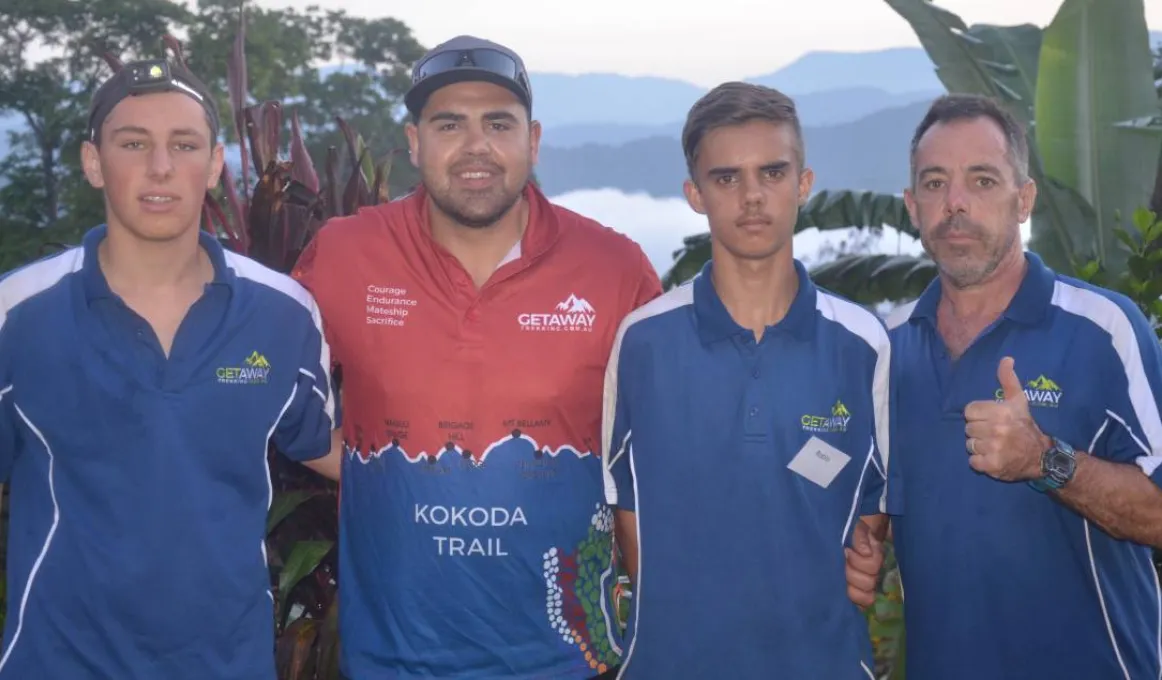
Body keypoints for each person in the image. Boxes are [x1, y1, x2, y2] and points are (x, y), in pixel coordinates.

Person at [291, 35, 662, 679]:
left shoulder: (614, 267)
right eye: (448, 124)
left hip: (570, 660)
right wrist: (388, 474)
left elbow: (663, 446)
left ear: (533, 140)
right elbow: (275, 402)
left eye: (498, 124)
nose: (475, 147)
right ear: (413, 143)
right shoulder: (344, 254)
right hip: (393, 661)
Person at [0, 59, 336, 679]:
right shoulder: (17, 316)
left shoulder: (284, 315)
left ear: (214, 165)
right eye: (134, 144)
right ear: (93, 161)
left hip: (229, 666)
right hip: (56, 664)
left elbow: (328, 448)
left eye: (184, 145)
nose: (161, 168)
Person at [847, 93, 1162, 679]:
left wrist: (1045, 460)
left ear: (1024, 200)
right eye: (935, 184)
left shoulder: (1104, 330)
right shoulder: (883, 349)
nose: (957, 204)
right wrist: (860, 548)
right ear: (913, 206)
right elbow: (877, 508)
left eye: (983, 181)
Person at [601, 81, 895, 680]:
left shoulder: (864, 344)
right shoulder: (643, 341)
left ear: (803, 184)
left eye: (773, 172)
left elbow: (872, 503)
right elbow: (622, 508)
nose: (752, 196)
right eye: (727, 178)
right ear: (694, 194)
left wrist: (862, 555)